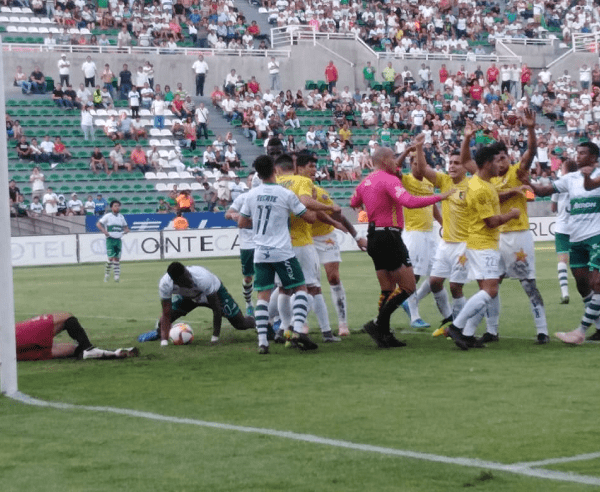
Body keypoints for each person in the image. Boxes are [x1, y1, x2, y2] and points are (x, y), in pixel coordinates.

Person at [350, 147, 451, 348]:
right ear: (386, 160)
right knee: (408, 287)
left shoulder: (365, 182)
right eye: (394, 158)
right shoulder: (390, 180)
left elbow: (354, 202)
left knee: (387, 288)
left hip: (374, 236)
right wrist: (441, 196)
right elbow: (410, 202)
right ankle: (378, 324)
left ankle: (384, 334)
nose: (397, 161)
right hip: (390, 236)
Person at [441, 144, 522, 350]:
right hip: (483, 245)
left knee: (485, 291)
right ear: (487, 164)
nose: (499, 165)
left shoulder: (483, 183)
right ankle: (457, 327)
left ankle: (467, 334)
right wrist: (512, 214)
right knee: (490, 290)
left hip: (479, 244)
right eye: (496, 161)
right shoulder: (479, 189)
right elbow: (491, 221)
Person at [238, 155, 319, 354]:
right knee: (300, 288)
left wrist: (258, 224)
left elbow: (241, 222)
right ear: (275, 170)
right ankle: (298, 329)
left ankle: (263, 342)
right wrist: (313, 203)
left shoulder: (251, 195)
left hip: (261, 253)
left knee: (263, 296)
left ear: (258, 173)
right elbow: (308, 218)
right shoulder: (286, 194)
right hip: (283, 252)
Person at [529, 142, 600, 344]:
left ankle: (580, 331)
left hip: (596, 235)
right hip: (574, 236)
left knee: (597, 282)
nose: (578, 156)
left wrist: (587, 177)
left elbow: (589, 186)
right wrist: (528, 185)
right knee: (582, 284)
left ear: (594, 157)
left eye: (583, 153)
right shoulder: (569, 179)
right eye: (577, 153)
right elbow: (541, 193)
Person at [275, 153, 346, 343]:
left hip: (281, 244)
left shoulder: (275, 183)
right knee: (313, 288)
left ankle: (284, 329)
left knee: (284, 289)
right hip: (302, 243)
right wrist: (327, 207)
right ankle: (325, 332)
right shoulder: (302, 181)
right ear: (295, 166)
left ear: (278, 169)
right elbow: (307, 205)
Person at [299, 152, 368, 336]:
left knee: (333, 278)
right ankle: (303, 322)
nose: (313, 170)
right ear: (299, 169)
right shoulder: (293, 191)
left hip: (325, 237)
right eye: (310, 166)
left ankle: (343, 323)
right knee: (306, 283)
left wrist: (356, 237)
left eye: (315, 167)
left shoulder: (321, 194)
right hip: (304, 239)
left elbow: (339, 215)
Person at [138, 262, 256, 346]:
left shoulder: (202, 278)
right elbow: (166, 312)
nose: (189, 280)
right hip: (188, 298)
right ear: (176, 282)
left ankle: (260, 322)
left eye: (188, 275)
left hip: (212, 293)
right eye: (185, 280)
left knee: (240, 324)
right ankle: (159, 334)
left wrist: (215, 338)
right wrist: (164, 343)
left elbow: (216, 309)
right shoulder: (165, 284)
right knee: (163, 320)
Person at [16, 312, 138, 361]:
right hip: (10, 338)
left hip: (10, 355)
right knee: (66, 318)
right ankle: (89, 348)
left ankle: (112, 353)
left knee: (73, 350)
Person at [225, 185, 257, 317]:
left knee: (268, 278)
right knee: (248, 278)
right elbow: (227, 214)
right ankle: (249, 303)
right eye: (250, 180)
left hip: (263, 242)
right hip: (247, 245)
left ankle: (270, 312)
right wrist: (233, 215)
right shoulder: (242, 198)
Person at [551, 159, 578, 304]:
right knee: (581, 261)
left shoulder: (558, 182)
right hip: (577, 228)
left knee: (562, 260)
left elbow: (553, 208)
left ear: (565, 169)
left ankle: (565, 293)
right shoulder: (580, 182)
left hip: (562, 227)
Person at [96, 200, 129, 283]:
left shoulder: (121, 217)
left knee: (117, 258)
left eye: (118, 206)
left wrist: (126, 231)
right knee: (111, 258)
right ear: (111, 207)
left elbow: (126, 227)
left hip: (118, 239)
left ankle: (116, 276)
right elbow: (98, 224)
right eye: (115, 206)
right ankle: (107, 274)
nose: (117, 207)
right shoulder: (108, 216)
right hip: (110, 239)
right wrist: (105, 232)